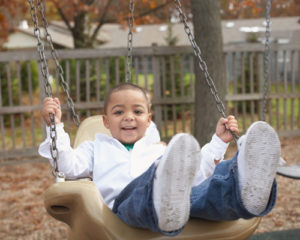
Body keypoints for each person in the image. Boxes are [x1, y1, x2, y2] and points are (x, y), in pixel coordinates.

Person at [39, 83, 281, 236]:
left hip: (175, 204)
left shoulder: (160, 150)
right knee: (155, 181)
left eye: (137, 111)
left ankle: (242, 189)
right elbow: (66, 166)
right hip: (121, 210)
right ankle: (163, 198)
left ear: (148, 119)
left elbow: (197, 175)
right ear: (105, 121)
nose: (128, 117)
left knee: (202, 193)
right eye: (118, 112)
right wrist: (55, 126)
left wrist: (219, 141)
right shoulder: (94, 148)